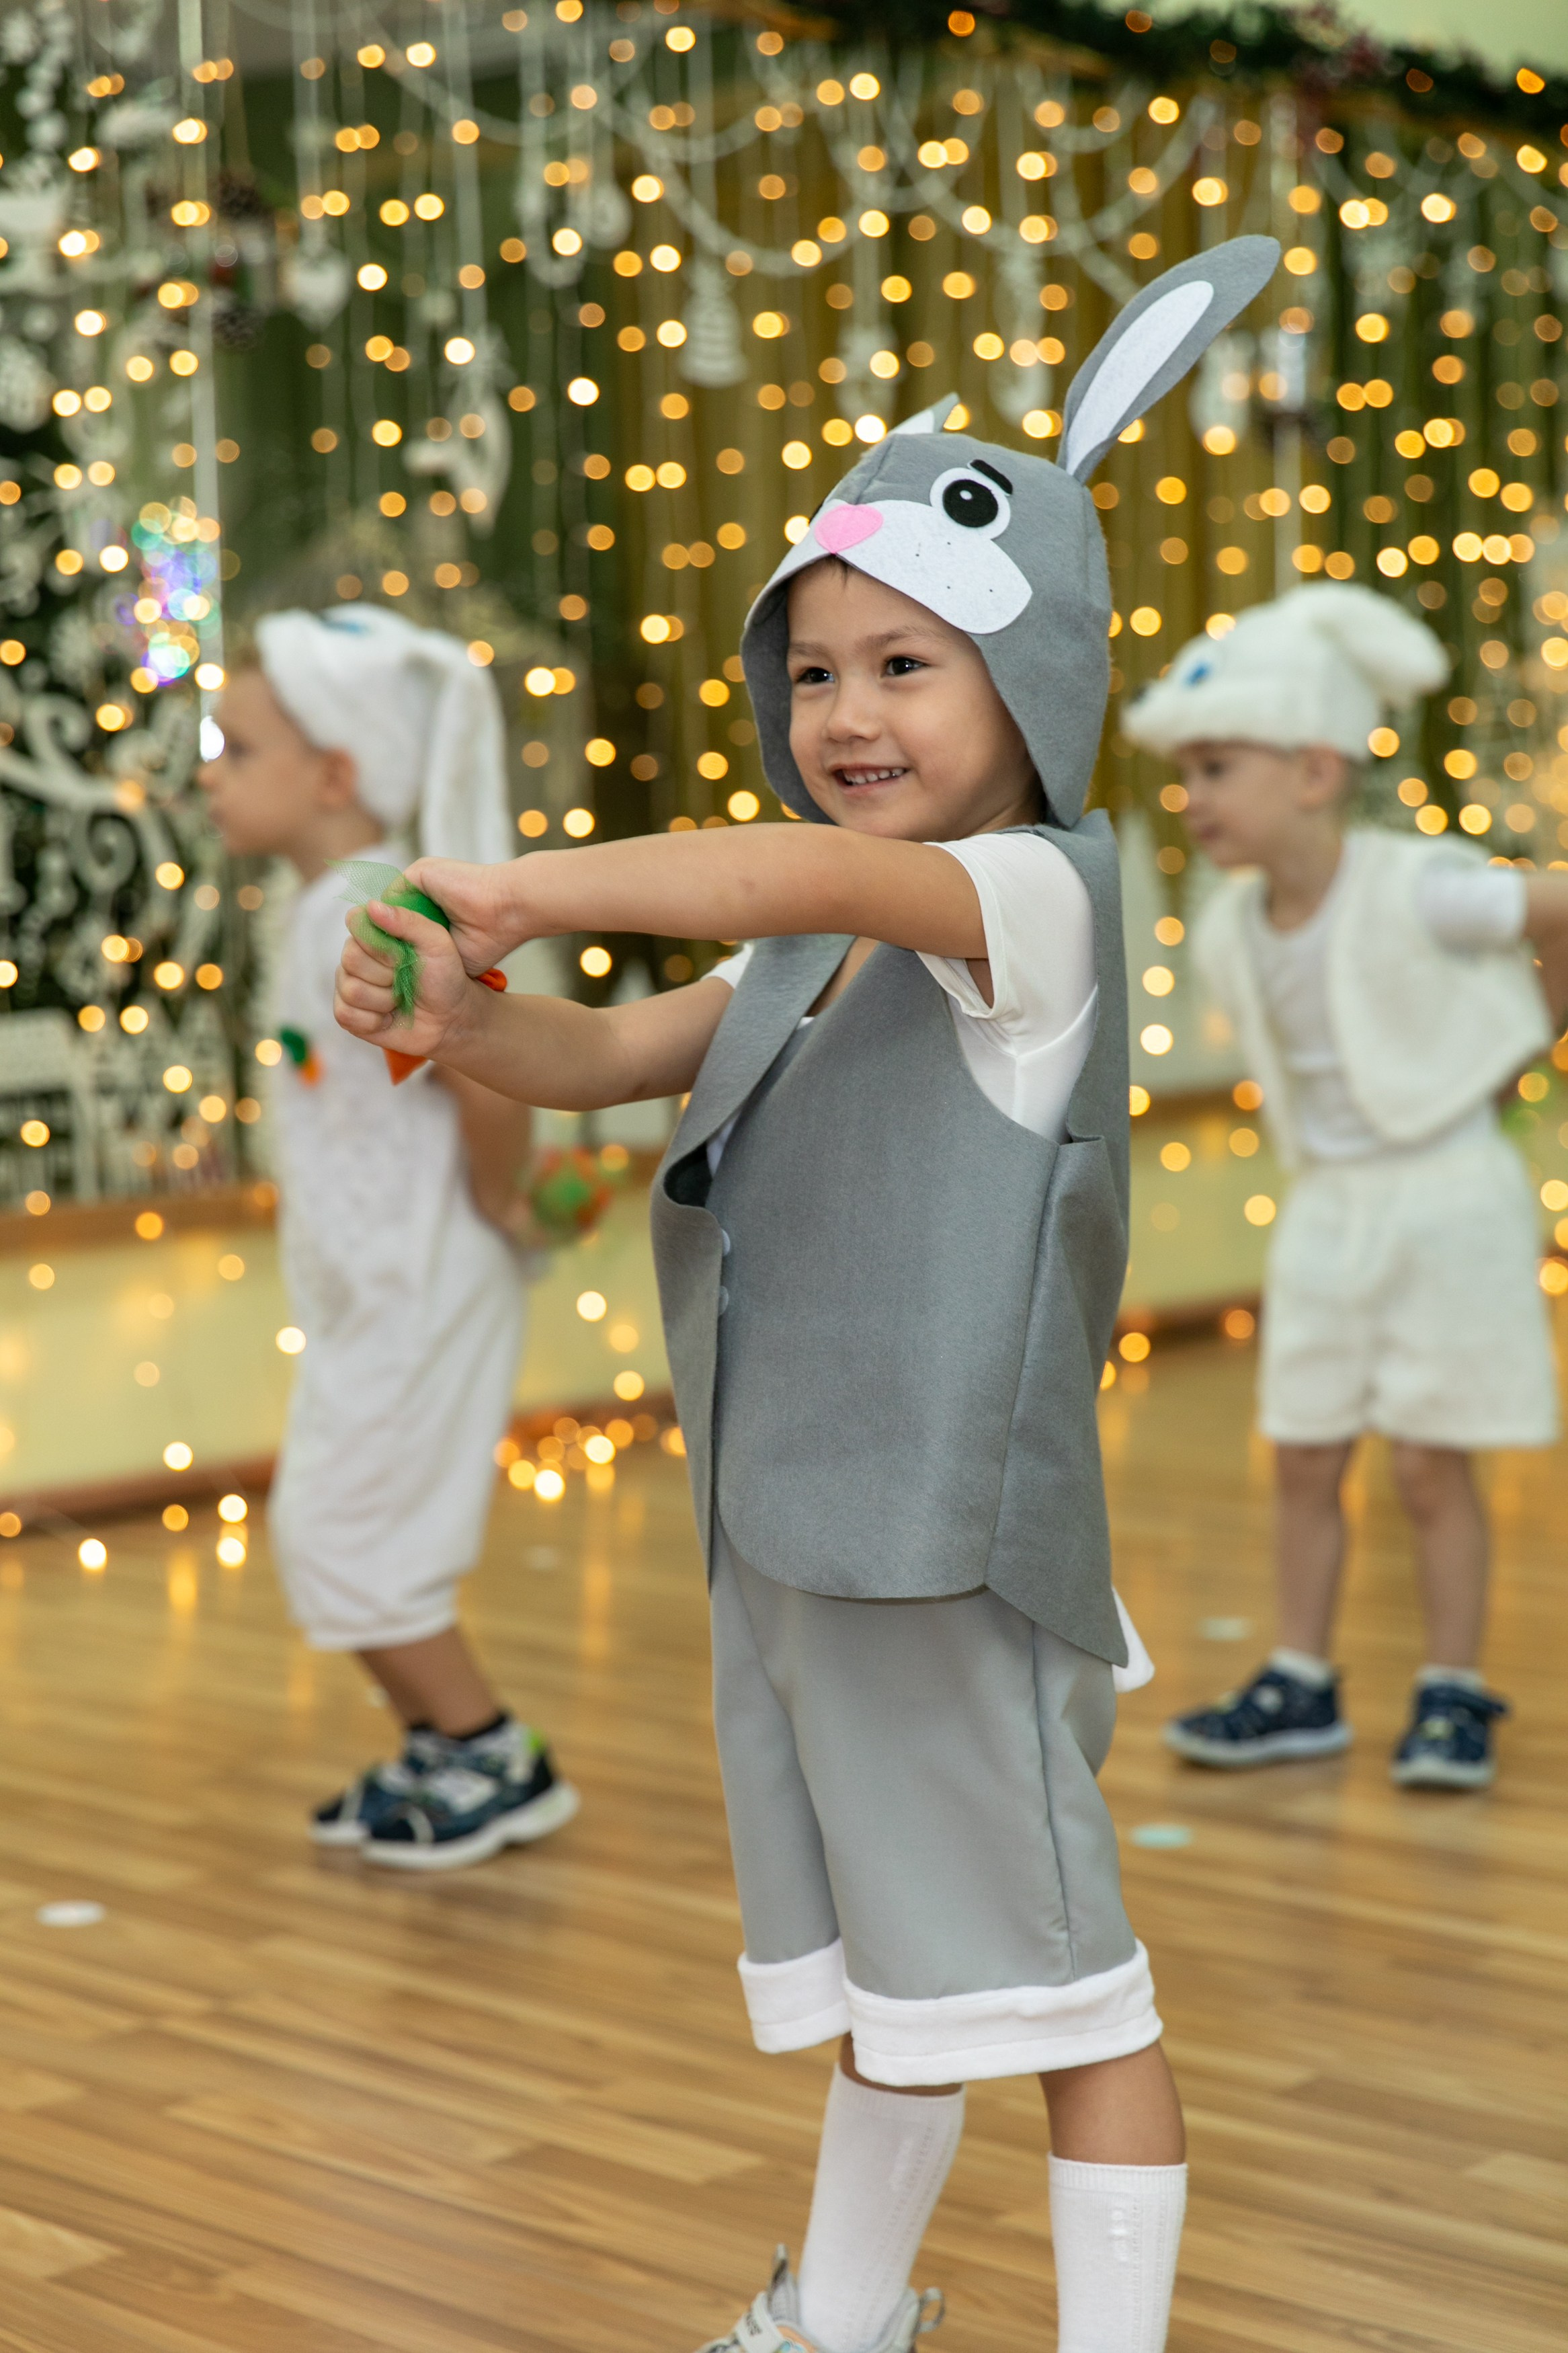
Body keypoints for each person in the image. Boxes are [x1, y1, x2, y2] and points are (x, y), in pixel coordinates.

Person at [333, 242, 1276, 2353]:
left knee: (1068, 1988)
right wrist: (463, 1015)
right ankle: (839, 2319)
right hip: (807, 1536)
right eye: (816, 671)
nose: (844, 715)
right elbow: (598, 1052)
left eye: (905, 666)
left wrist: (517, 882)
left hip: (940, 1551)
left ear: (1028, 688)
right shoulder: (800, 956)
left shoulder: (1021, 900)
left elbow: (787, 872)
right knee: (902, 1972)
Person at [1122, 584, 1562, 1792]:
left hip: (1445, 1194)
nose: (1192, 797)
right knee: (1306, 1447)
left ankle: (1452, 1687)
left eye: (1216, 768)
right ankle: (1299, 1679)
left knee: (1430, 1458)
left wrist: (1527, 1032)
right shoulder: (1229, 924)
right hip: (1327, 1203)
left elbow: (1557, 904)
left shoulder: (1418, 885)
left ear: (1313, 773)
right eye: (1186, 772)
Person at [198, 605, 578, 1870]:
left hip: (424, 1270)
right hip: (375, 1279)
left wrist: (497, 1204)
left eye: (235, 748)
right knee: (339, 1520)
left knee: (351, 1529)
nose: (208, 770)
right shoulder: (321, 910)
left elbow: (477, 1073)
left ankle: (491, 1753)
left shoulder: (372, 911)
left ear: (337, 774)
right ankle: (438, 1746)